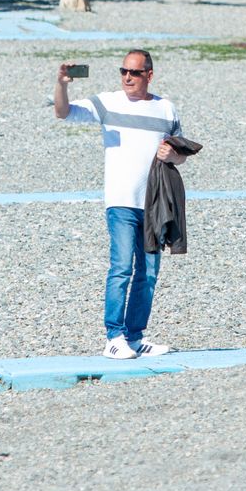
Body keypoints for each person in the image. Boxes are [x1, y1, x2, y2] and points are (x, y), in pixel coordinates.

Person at [54, 50, 189, 359]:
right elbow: (63, 113)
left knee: (148, 273)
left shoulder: (165, 109)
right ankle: (113, 336)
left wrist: (174, 157)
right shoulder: (109, 103)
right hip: (121, 202)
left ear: (149, 75)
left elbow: (180, 151)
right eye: (124, 71)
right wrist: (61, 85)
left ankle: (134, 335)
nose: (128, 77)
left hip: (155, 204)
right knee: (121, 267)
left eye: (135, 73)